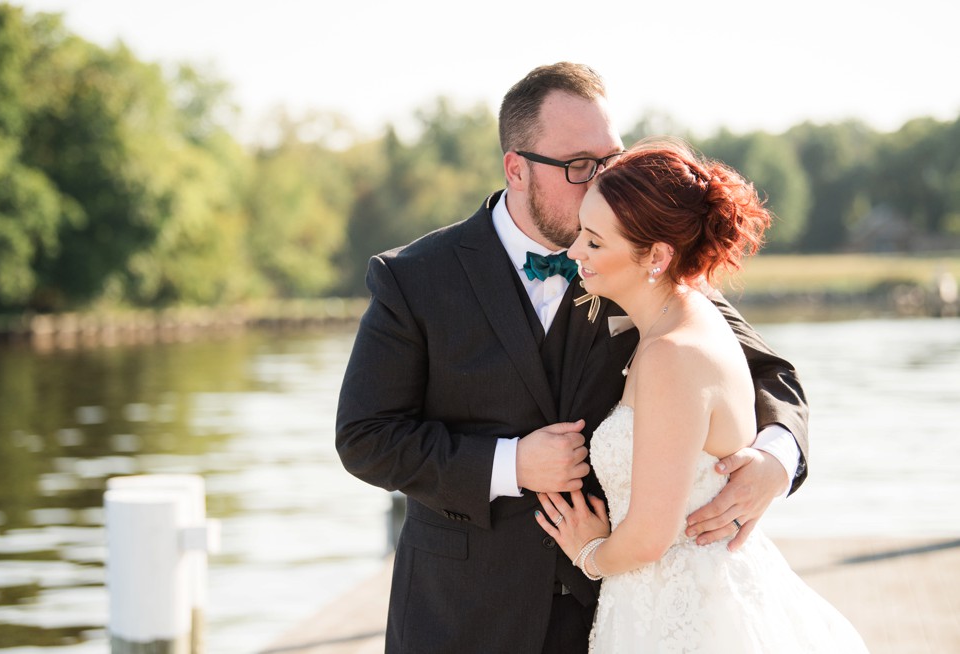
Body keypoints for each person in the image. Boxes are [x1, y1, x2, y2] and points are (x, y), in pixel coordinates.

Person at [336, 62, 808, 654]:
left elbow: (768, 376)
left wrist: (773, 461)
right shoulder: (415, 279)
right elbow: (365, 437)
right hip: (460, 612)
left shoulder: (645, 258)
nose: (602, 183)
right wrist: (509, 464)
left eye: (610, 161)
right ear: (516, 168)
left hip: (615, 612)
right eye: (579, 167)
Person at [535, 138, 868, 652]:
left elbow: (649, 535)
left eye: (595, 242)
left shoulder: (671, 353)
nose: (575, 251)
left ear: (658, 256)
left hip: (683, 617)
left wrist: (588, 553)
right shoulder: (693, 315)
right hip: (683, 598)